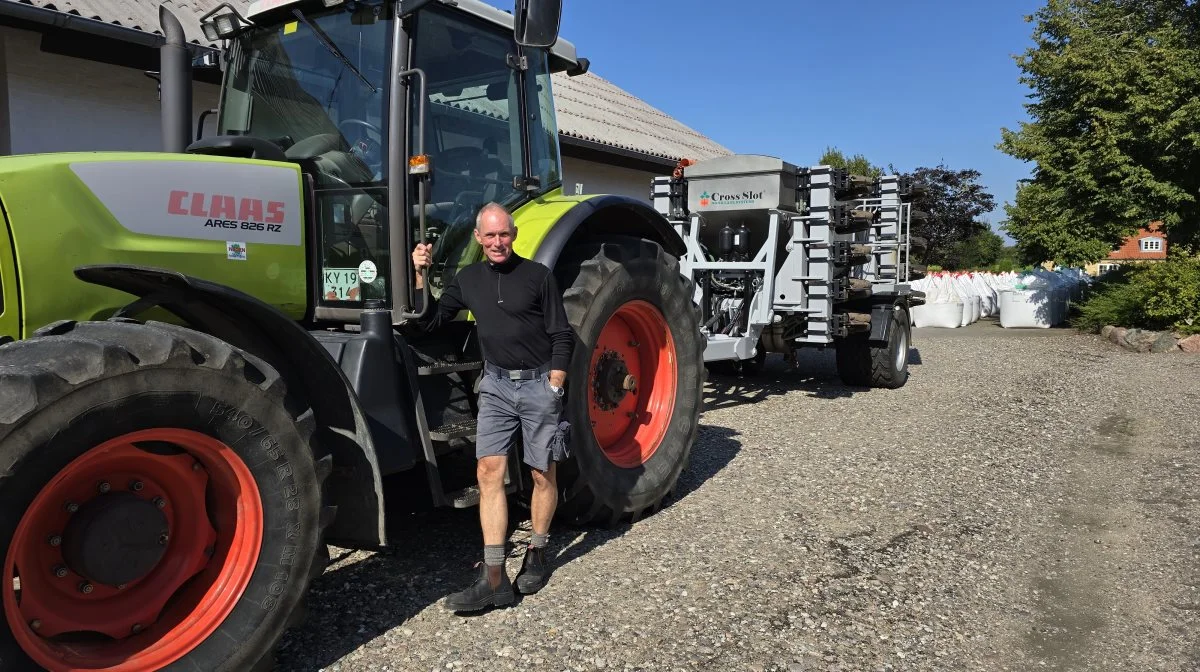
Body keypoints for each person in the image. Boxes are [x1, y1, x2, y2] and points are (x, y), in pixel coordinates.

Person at [411, 201, 574, 613]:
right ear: (478, 239)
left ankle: (537, 551)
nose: (498, 242)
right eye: (490, 235)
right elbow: (429, 322)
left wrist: (555, 382)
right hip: (496, 385)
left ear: (513, 235)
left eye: (504, 234)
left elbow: (561, 334)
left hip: (538, 383)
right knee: (488, 471)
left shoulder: (538, 277)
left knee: (541, 471)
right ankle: (494, 576)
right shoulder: (467, 279)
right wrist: (419, 272)